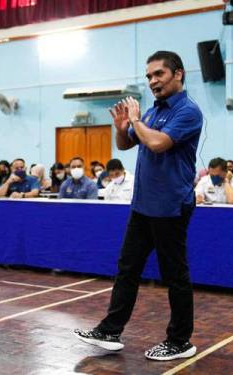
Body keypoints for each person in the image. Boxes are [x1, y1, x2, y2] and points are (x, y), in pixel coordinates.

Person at [74, 50, 202, 360]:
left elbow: (157, 143)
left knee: (175, 276)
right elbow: (126, 143)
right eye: (149, 76)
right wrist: (122, 127)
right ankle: (110, 330)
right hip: (143, 205)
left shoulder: (188, 111)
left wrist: (134, 119)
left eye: (159, 74)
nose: (153, 81)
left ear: (179, 74)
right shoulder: (152, 112)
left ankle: (180, 341)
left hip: (171, 206)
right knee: (127, 269)